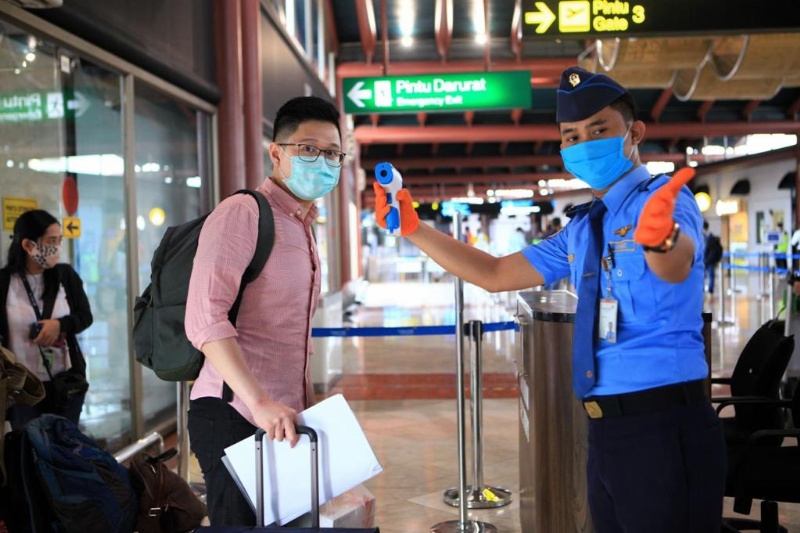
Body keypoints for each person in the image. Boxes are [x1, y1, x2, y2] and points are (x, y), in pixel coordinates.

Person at [373, 66, 725, 533]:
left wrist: (660, 243)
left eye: (599, 129)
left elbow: (675, 262)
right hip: (605, 428)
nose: (584, 143)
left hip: (663, 422)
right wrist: (413, 228)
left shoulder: (662, 201)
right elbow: (496, 273)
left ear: (634, 132)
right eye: (571, 135)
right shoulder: (583, 228)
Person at [185, 95, 343, 526]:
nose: (323, 161)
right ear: (277, 152)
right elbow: (204, 319)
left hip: (282, 417)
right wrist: (259, 402)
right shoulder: (243, 213)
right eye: (308, 148)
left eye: (333, 153)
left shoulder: (303, 226)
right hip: (233, 414)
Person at [0, 209, 93, 429]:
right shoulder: (5, 282)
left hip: (64, 383)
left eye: (59, 240)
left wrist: (60, 325)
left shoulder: (65, 276)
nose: (57, 247)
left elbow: (85, 316)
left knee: (62, 447)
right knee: (29, 450)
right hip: (22, 387)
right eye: (51, 241)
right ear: (28, 245)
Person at [703, 220, 723, 295]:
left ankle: (710, 290)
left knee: (709, 276)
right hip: (707, 261)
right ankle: (708, 290)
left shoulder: (710, 238)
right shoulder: (709, 237)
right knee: (709, 276)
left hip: (708, 261)